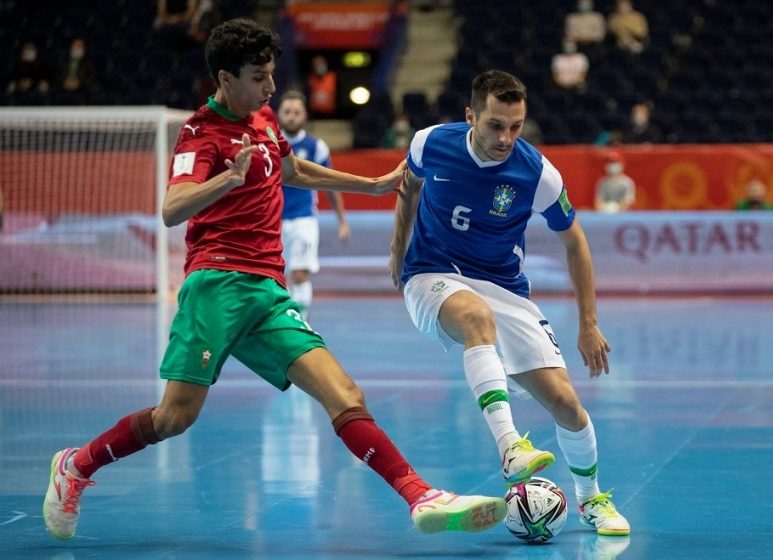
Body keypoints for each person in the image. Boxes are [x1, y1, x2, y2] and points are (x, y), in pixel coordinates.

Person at [42, 18, 506, 543]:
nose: (271, 87)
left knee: (345, 393)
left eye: (271, 75)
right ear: (225, 77)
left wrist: (370, 186)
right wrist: (227, 178)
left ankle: (420, 495)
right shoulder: (201, 133)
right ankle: (76, 466)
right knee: (174, 418)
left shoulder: (262, 118)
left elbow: (293, 171)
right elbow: (172, 209)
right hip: (216, 284)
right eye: (260, 77)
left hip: (266, 292)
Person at [388, 70, 630, 537]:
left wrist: (588, 323)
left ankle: (592, 500)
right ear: (470, 116)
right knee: (475, 318)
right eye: (496, 125)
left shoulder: (536, 172)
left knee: (566, 404)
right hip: (431, 275)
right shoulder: (429, 143)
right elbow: (409, 186)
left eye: (516, 126)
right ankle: (510, 446)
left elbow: (575, 242)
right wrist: (398, 249)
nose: (506, 138)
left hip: (504, 287)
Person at [277, 89, 350, 320]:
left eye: (296, 112)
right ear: (279, 114)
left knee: (299, 274)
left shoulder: (315, 146)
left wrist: (342, 221)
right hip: (272, 221)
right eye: (287, 111)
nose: (291, 116)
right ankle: (283, 323)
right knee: (276, 277)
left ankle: (302, 324)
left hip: (303, 220)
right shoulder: (269, 144)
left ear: (304, 116)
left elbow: (330, 184)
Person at [55, 38, 97, 102]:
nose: (77, 48)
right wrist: (64, 82)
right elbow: (56, 75)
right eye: (75, 46)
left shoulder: (89, 63)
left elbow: (91, 78)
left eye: (80, 46)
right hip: (63, 88)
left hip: (82, 90)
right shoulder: (62, 60)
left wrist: (79, 83)